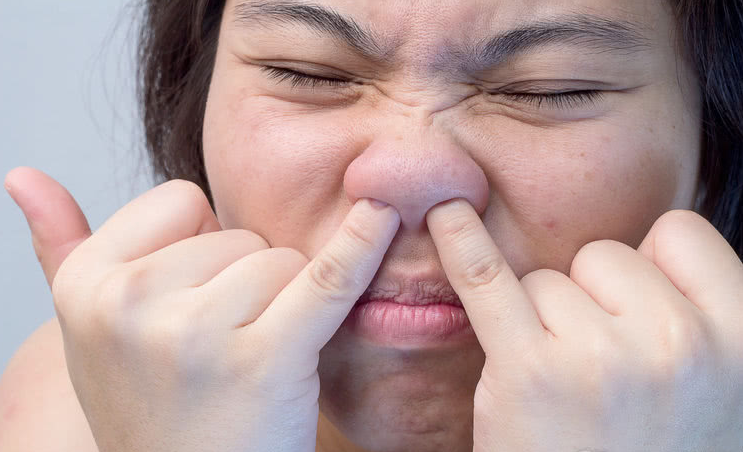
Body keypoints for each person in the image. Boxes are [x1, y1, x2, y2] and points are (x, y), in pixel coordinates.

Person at [2, 0, 742, 450]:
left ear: (714, 142)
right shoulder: (70, 406)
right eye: (309, 72)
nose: (407, 172)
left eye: (548, 89)